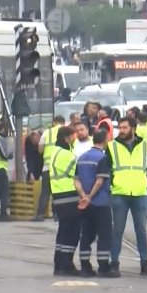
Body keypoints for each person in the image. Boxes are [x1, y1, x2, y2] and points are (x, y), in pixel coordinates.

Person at [108, 116, 147, 276]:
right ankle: (114, 263)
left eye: (124, 128)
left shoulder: (146, 146)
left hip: (140, 192)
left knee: (141, 230)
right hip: (119, 193)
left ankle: (144, 263)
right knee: (117, 230)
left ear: (133, 129)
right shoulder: (112, 146)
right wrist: (112, 183)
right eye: (119, 128)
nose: (121, 131)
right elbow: (107, 169)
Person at [75, 129, 113, 276]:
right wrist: (90, 196)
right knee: (104, 235)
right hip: (100, 202)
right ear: (105, 140)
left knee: (86, 235)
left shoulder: (82, 157)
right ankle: (103, 267)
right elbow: (99, 180)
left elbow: (76, 180)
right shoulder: (102, 158)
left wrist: (83, 196)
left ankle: (85, 266)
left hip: (85, 205)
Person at [49, 126, 80, 274]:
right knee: (72, 232)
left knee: (63, 232)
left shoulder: (55, 151)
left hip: (58, 195)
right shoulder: (67, 155)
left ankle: (59, 263)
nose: (75, 139)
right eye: (73, 136)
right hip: (69, 196)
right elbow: (77, 174)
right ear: (66, 138)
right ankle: (66, 264)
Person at [35, 115, 65, 221]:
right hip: (61, 168)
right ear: (63, 123)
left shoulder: (47, 132)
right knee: (58, 192)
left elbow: (40, 149)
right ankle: (57, 214)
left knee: (45, 192)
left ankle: (39, 215)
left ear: (54, 122)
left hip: (47, 167)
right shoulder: (65, 132)